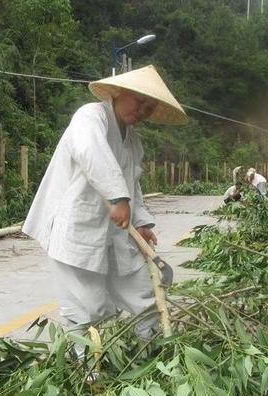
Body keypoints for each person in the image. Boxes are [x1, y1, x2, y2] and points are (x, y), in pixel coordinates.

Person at [22, 65, 188, 352]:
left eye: (149, 108)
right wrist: (118, 198)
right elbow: (90, 152)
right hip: (77, 229)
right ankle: (86, 367)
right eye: (139, 102)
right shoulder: (90, 117)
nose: (142, 112)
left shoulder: (133, 140)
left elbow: (132, 183)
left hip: (114, 232)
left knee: (142, 292)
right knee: (86, 307)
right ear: (122, 92)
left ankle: (150, 352)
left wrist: (142, 222)